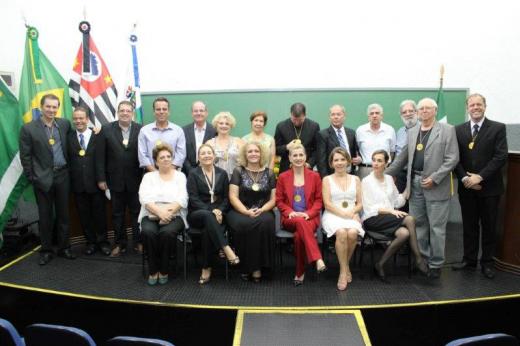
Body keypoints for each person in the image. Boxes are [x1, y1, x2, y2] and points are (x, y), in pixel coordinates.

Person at [386, 98, 459, 279]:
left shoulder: (447, 130)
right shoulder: (413, 132)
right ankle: (422, 261)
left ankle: (436, 264)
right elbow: (402, 158)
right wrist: (382, 174)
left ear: (435, 110)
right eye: (421, 109)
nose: (424, 111)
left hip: (436, 185)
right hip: (415, 184)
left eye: (428, 108)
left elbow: (452, 158)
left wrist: (435, 178)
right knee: (418, 225)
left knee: (437, 227)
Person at [452, 93, 508, 279]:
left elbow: (500, 157)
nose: (475, 107)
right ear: (467, 108)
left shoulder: (498, 128)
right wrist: (465, 180)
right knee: (469, 226)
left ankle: (487, 263)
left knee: (489, 226)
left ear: (485, 106)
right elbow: (454, 159)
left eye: (479, 104)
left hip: (490, 188)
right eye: (472, 105)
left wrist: (480, 177)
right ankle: (469, 260)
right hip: (466, 187)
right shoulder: (457, 130)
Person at [19, 94, 76, 265]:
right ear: (41, 107)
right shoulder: (28, 129)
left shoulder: (64, 124)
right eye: (48, 107)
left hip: (63, 175)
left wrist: (95, 130)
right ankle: (46, 250)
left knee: (64, 215)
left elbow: (75, 140)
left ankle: (64, 247)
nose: (51, 110)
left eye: (54, 107)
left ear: (58, 108)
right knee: (45, 217)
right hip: (42, 179)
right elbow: (25, 156)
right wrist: (33, 177)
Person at [361, 150, 429, 282]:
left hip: (388, 218)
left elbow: (396, 200)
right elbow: (369, 207)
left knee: (404, 233)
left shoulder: (388, 179)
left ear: (386, 163)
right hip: (372, 218)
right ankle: (419, 259)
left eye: (379, 161)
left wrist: (407, 191)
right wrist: (391, 211)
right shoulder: (366, 181)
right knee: (409, 219)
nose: (375, 163)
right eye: (374, 160)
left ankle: (380, 264)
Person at [187, 144, 240, 285]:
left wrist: (220, 210)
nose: (206, 155)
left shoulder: (222, 173)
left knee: (207, 231)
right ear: (199, 157)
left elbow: (226, 198)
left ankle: (206, 268)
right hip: (198, 213)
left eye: (209, 153)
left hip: (218, 214)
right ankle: (226, 248)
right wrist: (211, 211)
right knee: (207, 216)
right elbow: (193, 198)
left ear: (214, 155)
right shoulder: (193, 173)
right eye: (203, 153)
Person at [97, 101, 143, 257]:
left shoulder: (141, 129)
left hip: (136, 181)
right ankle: (119, 243)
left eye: (128, 110)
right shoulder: (106, 129)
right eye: (122, 110)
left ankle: (138, 242)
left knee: (137, 213)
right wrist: (101, 179)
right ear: (117, 112)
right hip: (114, 181)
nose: (125, 113)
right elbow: (100, 157)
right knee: (117, 214)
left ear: (132, 113)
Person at [275, 144, 326, 286]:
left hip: (310, 218)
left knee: (299, 236)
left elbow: (318, 200)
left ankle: (299, 272)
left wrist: (308, 214)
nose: (298, 158)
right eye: (295, 155)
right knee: (299, 223)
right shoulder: (283, 177)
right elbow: (279, 201)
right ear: (290, 158)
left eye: (301, 155)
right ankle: (317, 258)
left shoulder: (315, 176)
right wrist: (290, 212)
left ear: (305, 157)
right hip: (290, 218)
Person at [138, 143, 188, 285]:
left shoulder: (180, 176)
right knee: (148, 232)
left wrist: (167, 212)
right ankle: (153, 270)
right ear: (156, 161)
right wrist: (160, 213)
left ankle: (164, 270)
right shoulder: (148, 177)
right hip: (150, 213)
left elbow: (183, 198)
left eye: (168, 156)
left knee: (167, 233)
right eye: (162, 157)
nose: (166, 159)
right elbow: (144, 198)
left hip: (175, 214)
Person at [227, 142, 276, 282]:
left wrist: (262, 209)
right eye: (250, 151)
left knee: (265, 223)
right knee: (245, 224)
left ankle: (258, 267)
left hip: (263, 209)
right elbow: (233, 197)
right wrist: (246, 211)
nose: (253, 154)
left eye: (256, 151)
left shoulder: (270, 173)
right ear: (245, 154)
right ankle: (247, 267)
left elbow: (274, 199)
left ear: (262, 154)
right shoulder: (238, 171)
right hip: (240, 210)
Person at [67, 107, 110, 256]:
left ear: (87, 119)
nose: (78, 121)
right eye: (76, 118)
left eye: (81, 118)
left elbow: (103, 158)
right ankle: (91, 243)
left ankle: (103, 242)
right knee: (84, 216)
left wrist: (102, 179)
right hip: (78, 185)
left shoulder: (97, 134)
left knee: (100, 215)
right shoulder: (69, 136)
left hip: (96, 183)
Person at [321, 147, 364, 290]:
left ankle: (344, 267)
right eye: (336, 160)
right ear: (331, 163)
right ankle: (343, 272)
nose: (339, 163)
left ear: (348, 161)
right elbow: (327, 204)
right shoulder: (326, 179)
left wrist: (353, 212)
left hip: (351, 213)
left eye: (342, 159)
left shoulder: (356, 179)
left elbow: (360, 204)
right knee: (341, 233)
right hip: (333, 214)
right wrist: (344, 214)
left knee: (352, 233)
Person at [138, 97, 186, 171]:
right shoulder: (144, 131)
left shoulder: (178, 131)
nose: (161, 112)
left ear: (168, 111)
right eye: (158, 109)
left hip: (172, 173)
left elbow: (181, 154)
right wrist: (156, 173)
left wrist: (168, 172)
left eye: (164, 109)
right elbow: (142, 155)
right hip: (151, 174)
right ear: (154, 112)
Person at [274, 102, 320, 173]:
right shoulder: (281, 126)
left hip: (306, 168)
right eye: (294, 119)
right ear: (291, 114)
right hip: (286, 169)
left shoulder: (314, 126)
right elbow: (275, 149)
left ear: (305, 115)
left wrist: (310, 163)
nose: (297, 122)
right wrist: (286, 147)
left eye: (300, 120)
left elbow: (317, 149)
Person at [317, 104, 360, 177]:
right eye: (333, 115)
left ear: (344, 116)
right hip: (332, 176)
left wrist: (359, 159)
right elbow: (321, 161)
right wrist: (325, 179)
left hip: (350, 174)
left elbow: (356, 152)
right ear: (329, 117)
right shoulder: (323, 135)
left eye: (338, 114)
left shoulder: (351, 133)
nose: (336, 117)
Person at [356, 103, 396, 179]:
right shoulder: (360, 130)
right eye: (371, 113)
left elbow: (392, 151)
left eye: (377, 113)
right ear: (368, 117)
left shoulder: (390, 130)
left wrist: (386, 165)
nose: (374, 115)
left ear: (382, 116)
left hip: (384, 170)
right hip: (365, 170)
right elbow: (356, 150)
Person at [206, 111, 245, 179]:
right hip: (214, 180)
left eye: (227, 124)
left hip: (236, 179)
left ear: (231, 126)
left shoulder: (239, 142)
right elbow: (203, 164)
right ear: (216, 125)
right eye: (221, 123)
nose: (224, 126)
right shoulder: (209, 143)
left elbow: (246, 162)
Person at [182, 101, 217, 175]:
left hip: (210, 172)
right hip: (188, 173)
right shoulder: (183, 130)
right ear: (192, 113)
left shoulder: (215, 130)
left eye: (201, 111)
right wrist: (191, 170)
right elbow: (182, 153)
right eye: (196, 111)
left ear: (206, 113)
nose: (198, 113)